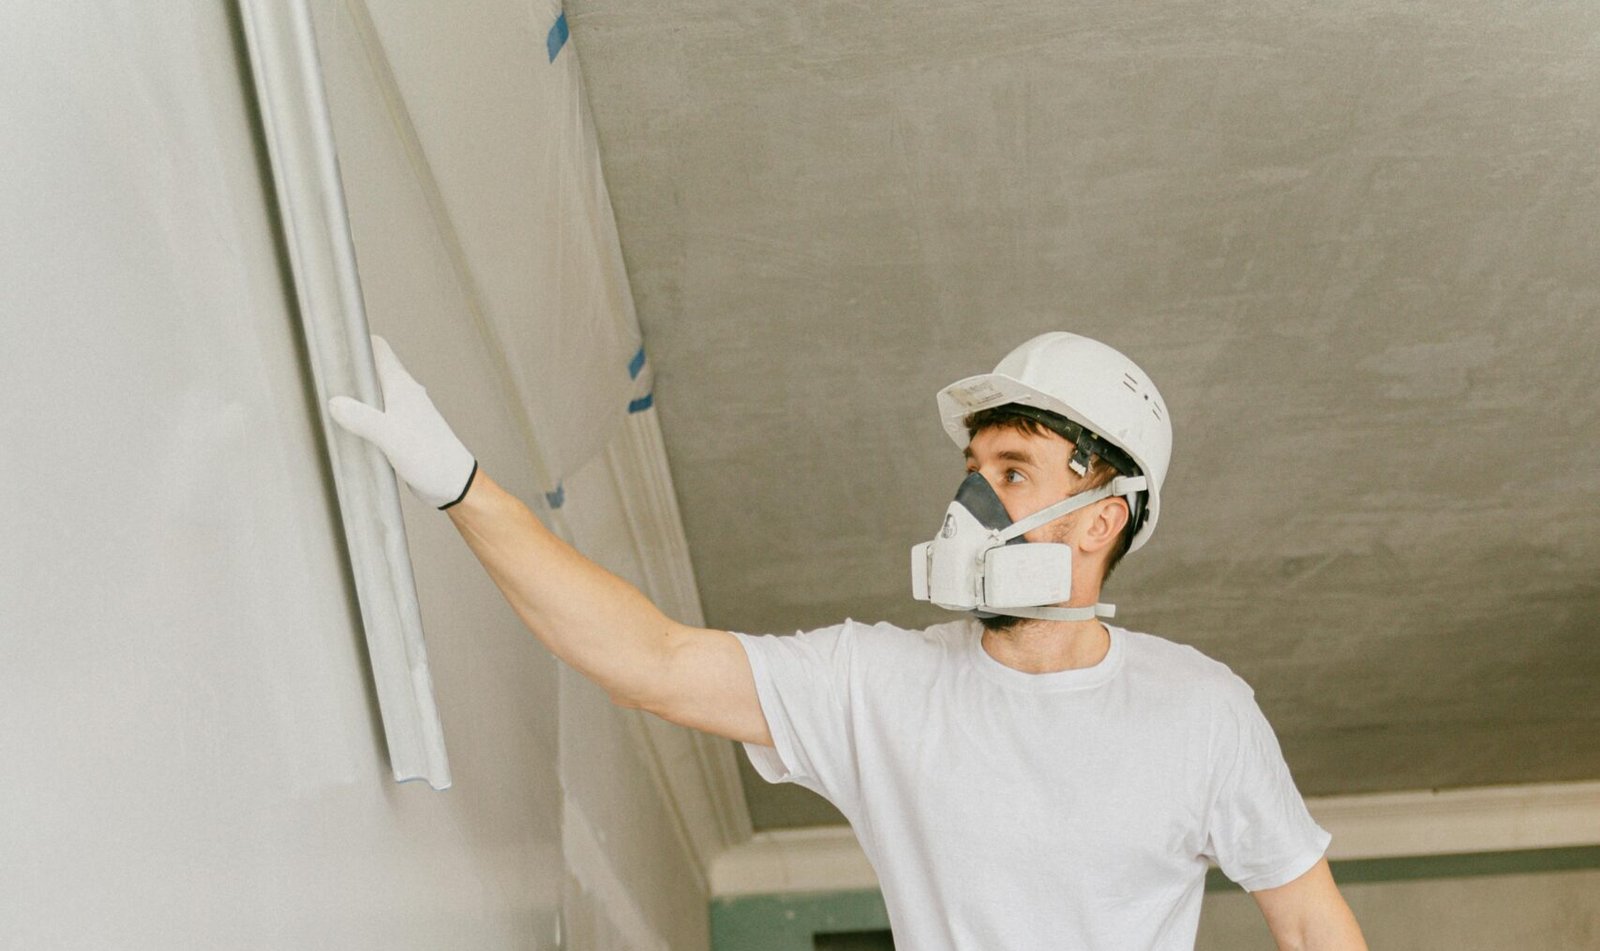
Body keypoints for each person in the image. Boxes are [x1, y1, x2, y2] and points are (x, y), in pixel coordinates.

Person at [329, 332, 1368, 950]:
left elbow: (1314, 925)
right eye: (972, 467)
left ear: (1103, 517)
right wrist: (457, 484)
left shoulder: (1198, 712)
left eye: (1011, 471)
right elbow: (652, 663)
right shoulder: (880, 685)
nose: (971, 496)